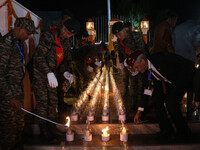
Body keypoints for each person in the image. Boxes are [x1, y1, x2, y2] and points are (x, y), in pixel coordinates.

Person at [126, 50, 196, 140]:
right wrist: (139, 111)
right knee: (156, 99)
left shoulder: (161, 59)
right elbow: (146, 90)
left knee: (171, 103)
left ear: (143, 61)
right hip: (167, 81)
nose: (137, 70)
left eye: (137, 67)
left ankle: (183, 132)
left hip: (184, 77)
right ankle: (166, 130)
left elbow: (181, 66)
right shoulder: (145, 71)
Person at [31, 18, 80, 141]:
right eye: (65, 30)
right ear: (62, 26)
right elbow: (39, 56)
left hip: (53, 75)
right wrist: (48, 73)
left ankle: (51, 127)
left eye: (69, 34)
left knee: (53, 102)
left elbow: (64, 59)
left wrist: (65, 72)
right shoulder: (49, 36)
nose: (65, 34)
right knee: (43, 102)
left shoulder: (67, 42)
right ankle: (43, 130)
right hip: (40, 74)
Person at [0, 17, 37, 150]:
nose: (29, 36)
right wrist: (10, 97)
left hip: (17, 91)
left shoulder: (20, 43)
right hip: (6, 96)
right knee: (8, 131)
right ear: (19, 28)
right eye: (27, 33)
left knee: (19, 126)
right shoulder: (5, 44)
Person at [112, 21, 147, 121]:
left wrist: (136, 64)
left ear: (124, 30)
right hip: (131, 67)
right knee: (133, 87)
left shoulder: (136, 36)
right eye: (116, 35)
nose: (118, 37)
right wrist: (123, 63)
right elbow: (121, 53)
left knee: (142, 87)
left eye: (119, 34)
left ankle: (142, 110)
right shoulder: (120, 41)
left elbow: (142, 51)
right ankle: (133, 107)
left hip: (141, 66)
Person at [173, 16, 200, 118]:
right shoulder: (196, 27)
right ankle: (189, 106)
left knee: (179, 83)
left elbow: (173, 43)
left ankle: (177, 105)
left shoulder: (178, 28)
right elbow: (197, 44)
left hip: (178, 59)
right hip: (189, 60)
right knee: (191, 84)